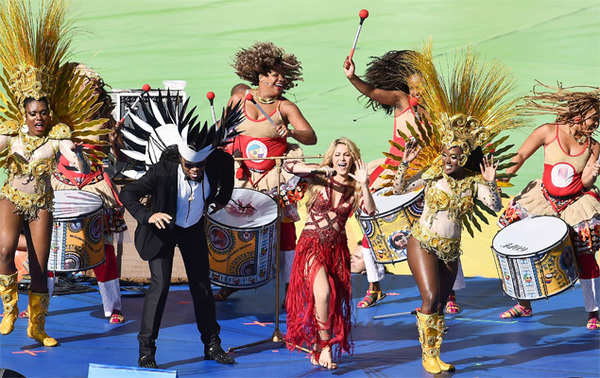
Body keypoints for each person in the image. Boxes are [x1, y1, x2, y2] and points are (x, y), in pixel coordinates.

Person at [390, 44, 519, 374]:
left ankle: (435, 352)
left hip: (452, 250)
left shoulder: (474, 181)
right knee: (431, 297)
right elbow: (400, 189)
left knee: (440, 306)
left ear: (465, 158)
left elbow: (492, 206)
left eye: (455, 158)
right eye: (445, 156)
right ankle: (426, 356)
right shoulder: (433, 173)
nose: (448, 161)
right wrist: (405, 166)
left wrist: (490, 181)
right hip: (424, 241)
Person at [0, 0, 107, 347]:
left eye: (44, 112)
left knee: (39, 263)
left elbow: (73, 157)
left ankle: (39, 326)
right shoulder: (11, 133)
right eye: (33, 113)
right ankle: (10, 309)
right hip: (12, 197)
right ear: (24, 113)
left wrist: (79, 159)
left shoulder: (57, 136)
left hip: (43, 202)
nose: (39, 118)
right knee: (2, 250)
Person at [120, 96, 243, 368]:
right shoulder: (163, 171)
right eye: (191, 166)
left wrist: (213, 204)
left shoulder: (219, 163)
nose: (196, 171)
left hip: (192, 229)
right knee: (160, 285)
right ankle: (146, 350)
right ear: (182, 160)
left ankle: (212, 345)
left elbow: (226, 190)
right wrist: (148, 215)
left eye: (200, 166)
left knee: (201, 286)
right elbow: (128, 192)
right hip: (163, 229)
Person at [343, 51, 466, 312]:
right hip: (396, 174)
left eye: (421, 90)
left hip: (427, 177)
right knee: (370, 225)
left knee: (444, 230)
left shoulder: (440, 113)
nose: (416, 94)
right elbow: (374, 92)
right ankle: (374, 287)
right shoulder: (401, 101)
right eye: (413, 89)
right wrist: (353, 77)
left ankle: (450, 293)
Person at [215, 41, 317, 301]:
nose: (280, 79)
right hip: (245, 177)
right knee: (237, 227)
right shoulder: (239, 99)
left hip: (275, 176)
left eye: (283, 75)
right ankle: (232, 279)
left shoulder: (286, 107)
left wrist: (291, 132)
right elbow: (220, 130)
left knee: (284, 231)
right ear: (260, 76)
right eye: (275, 74)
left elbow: (311, 137)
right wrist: (226, 144)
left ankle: (288, 288)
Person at [497, 83, 600, 329]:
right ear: (579, 114)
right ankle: (523, 303)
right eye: (593, 120)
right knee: (517, 245)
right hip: (542, 199)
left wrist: (593, 173)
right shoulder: (547, 132)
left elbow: (584, 182)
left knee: (586, 254)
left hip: (576, 203)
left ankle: (593, 313)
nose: (596, 125)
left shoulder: (594, 147)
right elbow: (520, 156)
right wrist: (501, 179)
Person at [285, 137, 376, 370]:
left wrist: (364, 184)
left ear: (352, 158)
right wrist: (316, 168)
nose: (342, 159)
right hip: (310, 246)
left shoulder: (355, 188)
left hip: (336, 251)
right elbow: (289, 166)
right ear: (332, 158)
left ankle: (317, 347)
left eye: (346, 155)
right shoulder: (319, 178)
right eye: (337, 155)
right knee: (323, 293)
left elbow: (370, 211)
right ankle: (325, 346)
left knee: (330, 302)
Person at [50, 63, 127, 323]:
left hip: (95, 185)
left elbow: (115, 155)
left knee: (103, 248)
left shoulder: (104, 121)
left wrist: (116, 142)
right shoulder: (55, 116)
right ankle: (40, 305)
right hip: (62, 183)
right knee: (50, 247)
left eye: (91, 87)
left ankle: (113, 307)